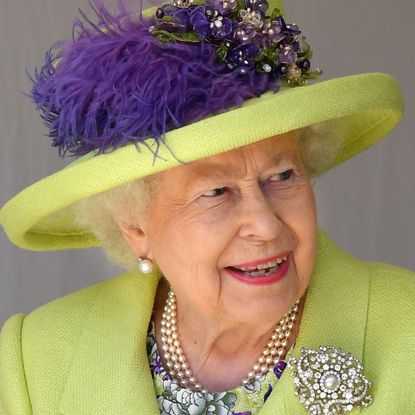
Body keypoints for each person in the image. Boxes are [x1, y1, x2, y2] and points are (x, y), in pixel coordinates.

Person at [0, 0, 414, 414]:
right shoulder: (36, 357)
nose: (266, 226)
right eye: (216, 192)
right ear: (136, 228)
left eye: (283, 175)